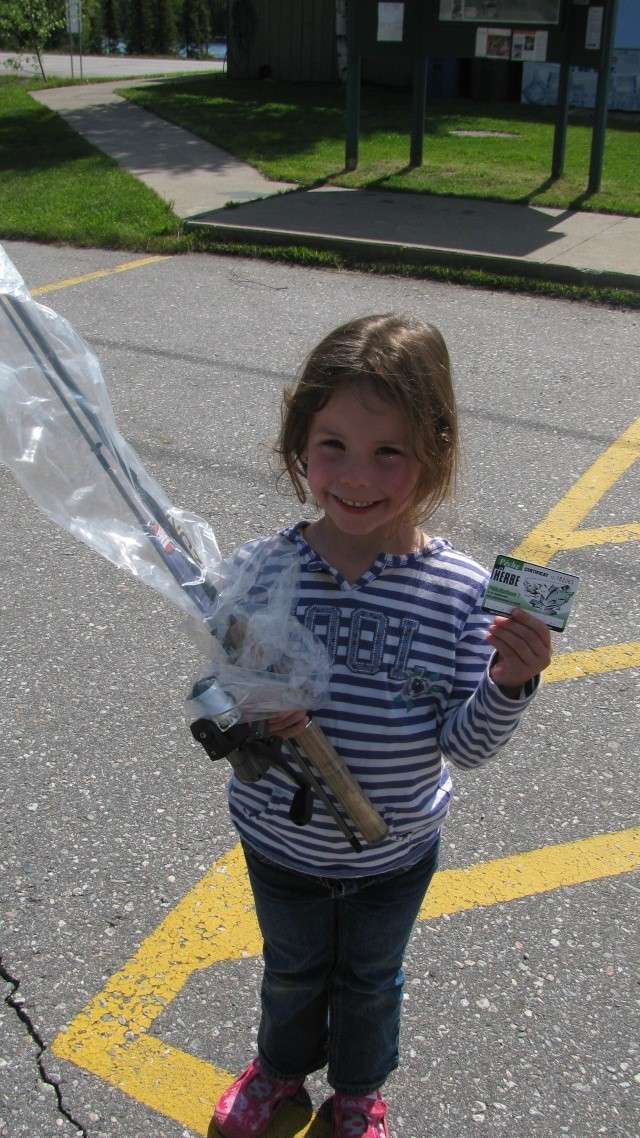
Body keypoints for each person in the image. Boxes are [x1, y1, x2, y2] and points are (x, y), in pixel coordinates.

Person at [213, 314, 552, 1138]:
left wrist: (512, 678)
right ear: (300, 443)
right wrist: (246, 714)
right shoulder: (264, 569)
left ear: (434, 451)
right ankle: (280, 1073)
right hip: (280, 844)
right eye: (332, 445)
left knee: (371, 979)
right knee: (291, 971)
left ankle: (358, 1092)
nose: (356, 477)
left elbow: (464, 746)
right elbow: (216, 705)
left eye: (388, 452)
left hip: (395, 852)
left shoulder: (463, 595)